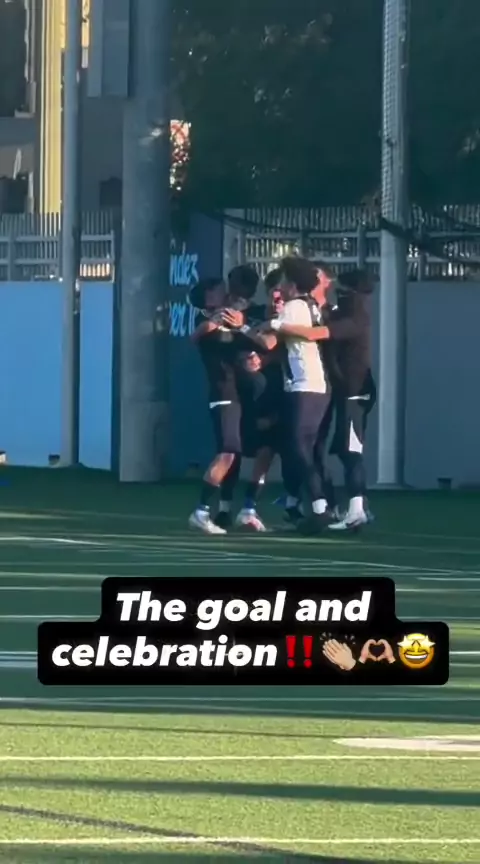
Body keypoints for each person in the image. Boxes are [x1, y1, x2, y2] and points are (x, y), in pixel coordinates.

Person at [276, 267, 376, 530]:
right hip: (344, 391)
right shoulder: (343, 312)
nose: (337, 293)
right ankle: (349, 508)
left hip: (356, 393)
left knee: (351, 450)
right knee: (342, 450)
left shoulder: (356, 318)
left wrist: (276, 324)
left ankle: (357, 511)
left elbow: (314, 333)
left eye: (343, 290)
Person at [252, 256, 334, 534]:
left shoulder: (295, 306)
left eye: (285, 280)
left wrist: (245, 328)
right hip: (313, 385)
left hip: (305, 384)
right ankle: (316, 506)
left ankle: (320, 507)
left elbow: (269, 341)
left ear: (293, 283)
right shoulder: (309, 305)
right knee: (304, 448)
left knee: (299, 447)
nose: (281, 286)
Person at [187, 277, 245, 534]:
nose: (225, 292)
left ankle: (221, 509)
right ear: (209, 296)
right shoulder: (205, 322)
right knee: (227, 453)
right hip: (223, 395)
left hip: (235, 395)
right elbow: (196, 335)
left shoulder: (230, 317)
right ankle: (201, 511)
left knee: (232, 454)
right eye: (219, 290)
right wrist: (220, 320)